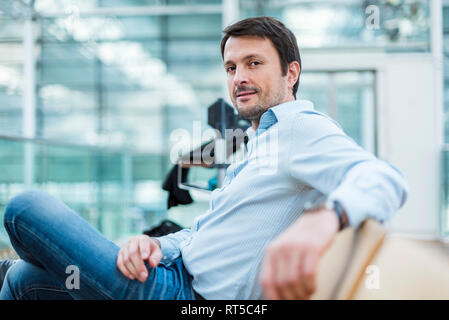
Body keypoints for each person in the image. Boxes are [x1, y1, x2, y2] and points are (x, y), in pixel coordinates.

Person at [0, 16, 408, 300]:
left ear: (291, 73)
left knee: (23, 209)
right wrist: (159, 245)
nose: (239, 78)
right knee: (20, 279)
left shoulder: (302, 128)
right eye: (231, 67)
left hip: (181, 295)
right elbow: (204, 230)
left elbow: (386, 178)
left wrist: (326, 219)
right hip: (168, 271)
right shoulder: (257, 141)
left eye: (254, 64)